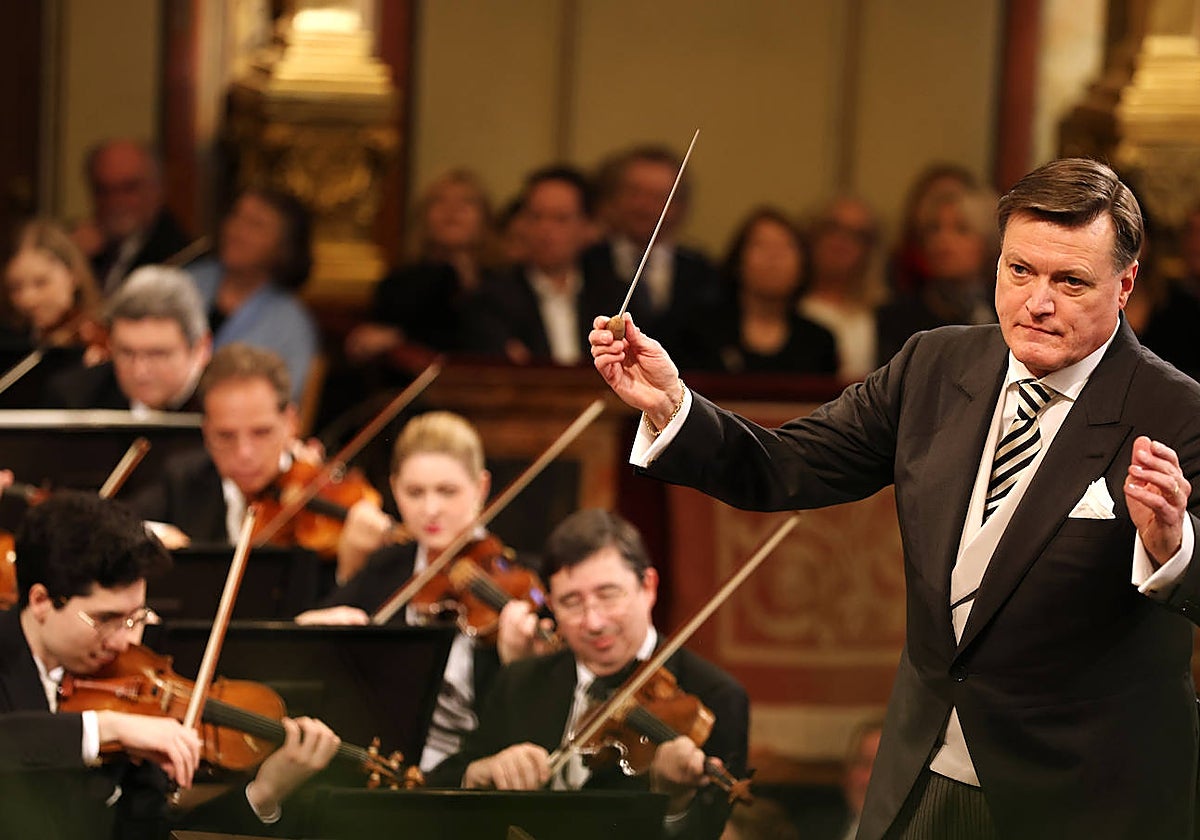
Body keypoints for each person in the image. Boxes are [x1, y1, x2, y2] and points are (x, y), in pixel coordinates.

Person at [589, 157, 1200, 838]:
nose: (1037, 302)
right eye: (1019, 270)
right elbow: (786, 465)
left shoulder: (1176, 411)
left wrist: (1173, 547)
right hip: (923, 777)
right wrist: (674, 406)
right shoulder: (933, 366)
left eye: (1070, 281)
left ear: (1126, 285)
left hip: (1087, 802)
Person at [0, 491, 338, 838]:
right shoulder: (117, 723)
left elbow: (152, 832)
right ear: (41, 601)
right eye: (105, 618)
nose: (127, 641)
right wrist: (104, 729)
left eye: (136, 617)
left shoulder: (133, 686)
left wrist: (263, 794)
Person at [425, 508, 749, 840]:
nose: (593, 622)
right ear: (551, 603)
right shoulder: (521, 680)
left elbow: (710, 829)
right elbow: (444, 781)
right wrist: (483, 772)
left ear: (648, 587)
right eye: (571, 602)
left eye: (608, 595)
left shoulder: (716, 697)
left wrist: (676, 803)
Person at [295, 410, 546, 772]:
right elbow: (311, 636)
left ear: (481, 487)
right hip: (386, 763)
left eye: (447, 491)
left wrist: (519, 666)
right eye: (415, 492)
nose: (430, 509)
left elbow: (530, 721)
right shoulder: (387, 567)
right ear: (395, 488)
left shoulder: (521, 581)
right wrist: (319, 622)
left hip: (475, 772)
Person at [129, 343, 309, 546]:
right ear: (206, 432)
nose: (244, 453)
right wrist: (157, 534)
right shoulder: (184, 480)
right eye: (225, 436)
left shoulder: (315, 494)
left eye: (261, 432)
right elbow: (120, 523)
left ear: (290, 423)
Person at [464, 166, 620, 365]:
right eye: (536, 217)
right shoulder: (490, 299)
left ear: (587, 227)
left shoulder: (612, 295)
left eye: (560, 219)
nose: (545, 230)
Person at [345, 169, 501, 367]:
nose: (452, 210)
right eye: (440, 201)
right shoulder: (398, 284)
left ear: (485, 219)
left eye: (467, 202)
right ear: (424, 217)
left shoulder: (504, 284)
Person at [581, 145, 721, 356]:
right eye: (635, 193)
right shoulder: (584, 263)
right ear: (615, 197)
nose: (644, 206)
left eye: (658, 196)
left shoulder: (704, 274)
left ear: (679, 205)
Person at [186, 187, 318, 401]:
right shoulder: (187, 282)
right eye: (236, 216)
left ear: (284, 247)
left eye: (255, 225)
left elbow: (282, 401)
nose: (237, 231)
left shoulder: (290, 324)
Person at [678, 206, 838, 375]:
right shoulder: (698, 329)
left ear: (803, 265)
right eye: (761, 245)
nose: (773, 258)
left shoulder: (818, 340)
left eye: (786, 247)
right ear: (738, 261)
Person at [43, 265, 211, 413]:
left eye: (157, 354)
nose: (139, 372)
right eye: (126, 353)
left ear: (201, 349)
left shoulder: (229, 404)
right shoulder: (74, 401)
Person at [875, 185, 998, 365]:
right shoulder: (896, 318)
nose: (943, 240)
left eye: (961, 229)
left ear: (988, 241)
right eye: (934, 229)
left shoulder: (1007, 311)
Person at [0, 219, 106, 408]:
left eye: (41, 282)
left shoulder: (95, 339)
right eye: (15, 287)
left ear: (73, 275)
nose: (28, 299)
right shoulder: (12, 339)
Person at [71, 139, 191, 293]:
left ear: (156, 188)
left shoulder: (181, 255)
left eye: (129, 188)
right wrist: (73, 257)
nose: (116, 201)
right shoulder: (87, 248)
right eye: (104, 190)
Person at [799, 195, 885, 381]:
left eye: (857, 235)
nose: (842, 241)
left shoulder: (885, 315)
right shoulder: (788, 307)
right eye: (833, 229)